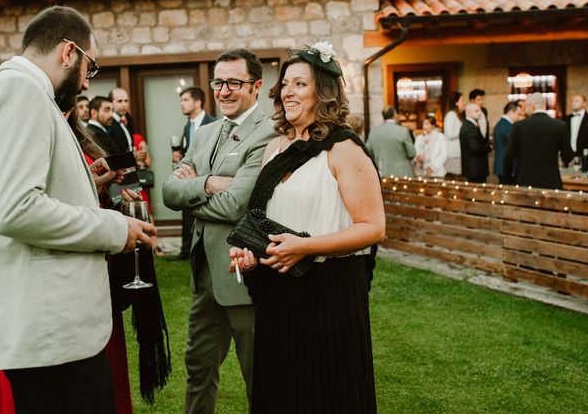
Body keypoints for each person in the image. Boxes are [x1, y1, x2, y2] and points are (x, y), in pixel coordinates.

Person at [0, 5, 156, 414]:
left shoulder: (20, 92)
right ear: (69, 53)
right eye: (90, 67)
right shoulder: (19, 92)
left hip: (51, 334)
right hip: (49, 334)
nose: (86, 82)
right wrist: (115, 228)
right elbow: (15, 208)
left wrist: (89, 184)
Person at [229, 42, 384, 414]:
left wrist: (306, 246)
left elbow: (374, 227)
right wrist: (252, 252)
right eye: (285, 84)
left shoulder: (345, 149)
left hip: (328, 293)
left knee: (326, 391)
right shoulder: (276, 146)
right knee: (284, 391)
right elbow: (266, 218)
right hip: (280, 291)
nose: (288, 92)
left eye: (300, 84)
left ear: (324, 92)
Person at [162, 49, 276, 413]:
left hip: (243, 275)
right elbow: (168, 193)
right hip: (204, 275)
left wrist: (191, 189)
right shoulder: (206, 132)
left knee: (259, 376)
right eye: (218, 82)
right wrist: (210, 183)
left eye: (234, 83)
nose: (224, 91)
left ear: (256, 86)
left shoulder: (269, 133)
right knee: (198, 368)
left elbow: (236, 206)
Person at [168, 86, 216, 261]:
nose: (182, 104)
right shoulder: (188, 125)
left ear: (198, 102)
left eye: (185, 100)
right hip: (187, 179)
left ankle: (203, 249)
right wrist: (179, 156)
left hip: (206, 180)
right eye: (181, 100)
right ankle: (186, 250)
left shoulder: (213, 123)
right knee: (187, 211)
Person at [503, 93, 574, 189]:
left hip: (524, 181)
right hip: (551, 181)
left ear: (531, 106)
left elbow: (509, 157)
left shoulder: (519, 126)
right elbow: (568, 156)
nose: (525, 111)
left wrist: (508, 180)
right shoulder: (560, 126)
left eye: (526, 107)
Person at [365, 106, 415, 178]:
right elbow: (411, 153)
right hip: (402, 173)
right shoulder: (402, 131)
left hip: (382, 172)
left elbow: (367, 152)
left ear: (383, 116)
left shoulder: (373, 132)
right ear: (395, 114)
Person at [460, 103, 491, 183]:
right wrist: (488, 147)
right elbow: (475, 148)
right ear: (468, 113)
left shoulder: (470, 125)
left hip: (474, 169)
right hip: (475, 169)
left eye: (480, 110)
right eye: (476, 111)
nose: (480, 112)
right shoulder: (470, 127)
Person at [493, 101, 519, 184]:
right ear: (511, 112)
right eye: (517, 114)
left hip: (502, 166)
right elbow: (514, 145)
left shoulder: (502, 124)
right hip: (505, 166)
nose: (518, 117)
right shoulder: (507, 126)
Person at [443, 91, 465, 176]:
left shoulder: (457, 115)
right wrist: (463, 130)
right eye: (462, 100)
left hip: (458, 153)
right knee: (455, 177)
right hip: (453, 154)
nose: (464, 103)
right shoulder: (451, 115)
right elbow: (449, 134)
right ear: (456, 102)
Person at [108, 87, 135, 153]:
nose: (124, 105)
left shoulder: (126, 122)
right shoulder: (109, 123)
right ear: (111, 103)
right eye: (119, 101)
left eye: (126, 101)